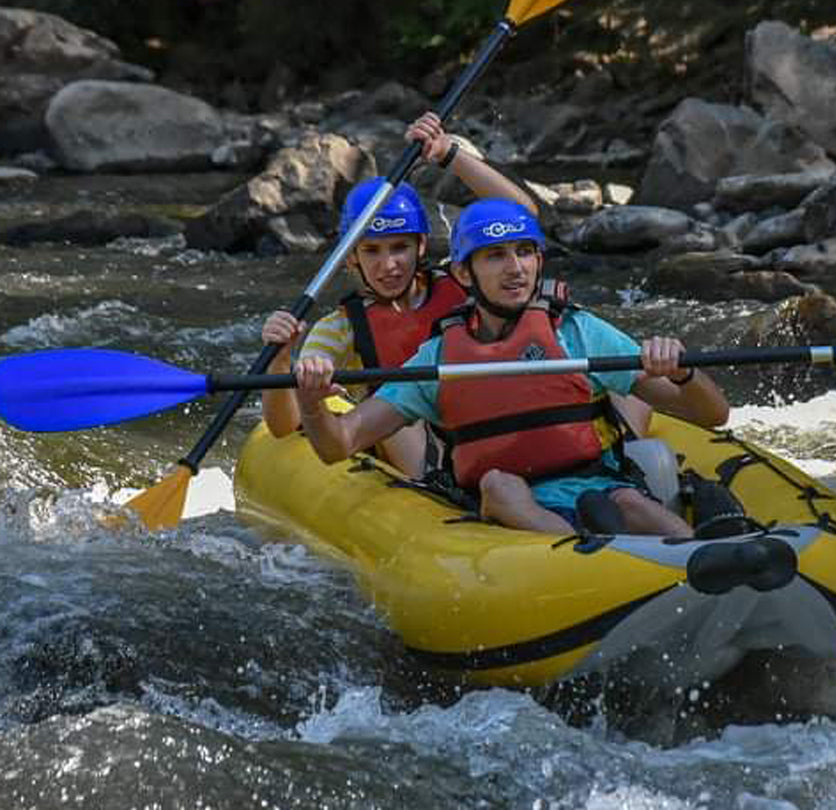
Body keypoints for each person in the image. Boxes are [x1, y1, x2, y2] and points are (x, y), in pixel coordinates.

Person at [291, 199, 730, 537]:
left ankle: (702, 553)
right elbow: (339, 443)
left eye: (524, 252)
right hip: (507, 501)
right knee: (501, 486)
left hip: (599, 488)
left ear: (539, 260)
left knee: (631, 503)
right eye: (495, 255)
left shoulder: (578, 331)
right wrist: (312, 403)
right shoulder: (439, 357)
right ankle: (587, 548)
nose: (515, 268)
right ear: (464, 273)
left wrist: (682, 374)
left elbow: (711, 415)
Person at [261, 112, 539, 476]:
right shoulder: (340, 328)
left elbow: (522, 216)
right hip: (406, 439)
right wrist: (280, 361)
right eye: (372, 251)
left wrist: (447, 154)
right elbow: (283, 427)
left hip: (479, 417)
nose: (388, 265)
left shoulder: (463, 283)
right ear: (351, 258)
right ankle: (441, 489)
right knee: (399, 418)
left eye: (399, 248)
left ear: (421, 245)